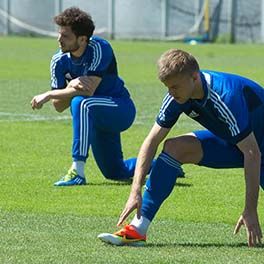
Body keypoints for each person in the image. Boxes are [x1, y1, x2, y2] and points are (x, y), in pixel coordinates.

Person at [98, 49, 263, 247]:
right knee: (175, 147)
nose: (171, 92)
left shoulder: (225, 96)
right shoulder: (176, 96)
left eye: (175, 86)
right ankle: (137, 229)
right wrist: (135, 190)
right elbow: (151, 141)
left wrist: (250, 210)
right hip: (237, 144)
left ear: (194, 77)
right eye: (167, 87)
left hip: (254, 149)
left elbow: (252, 153)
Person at [31, 7, 138, 186]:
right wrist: (71, 86)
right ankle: (163, 166)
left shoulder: (99, 47)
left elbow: (89, 90)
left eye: (65, 36)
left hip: (120, 108)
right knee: (116, 172)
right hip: (94, 120)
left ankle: (77, 171)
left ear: (82, 39)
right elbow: (59, 106)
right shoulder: (58, 61)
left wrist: (49, 94)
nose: (59, 40)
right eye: (59, 34)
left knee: (81, 102)